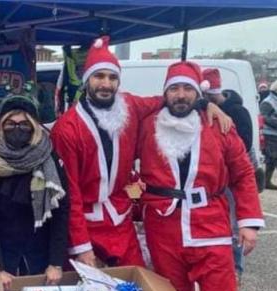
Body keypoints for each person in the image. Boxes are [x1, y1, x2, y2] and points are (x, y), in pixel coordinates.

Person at [137, 61, 264, 291]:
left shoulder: (218, 125)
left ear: (198, 92)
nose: (180, 95)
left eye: (188, 89)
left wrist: (249, 222)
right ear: (165, 92)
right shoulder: (147, 125)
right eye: (174, 89)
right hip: (165, 229)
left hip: (211, 227)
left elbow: (243, 173)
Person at [51, 36, 232, 268]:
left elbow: (167, 100)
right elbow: (70, 192)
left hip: (120, 219)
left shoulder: (131, 105)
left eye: (112, 77)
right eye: (99, 76)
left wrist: (205, 103)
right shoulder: (67, 129)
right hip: (84, 224)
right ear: (87, 80)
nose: (106, 84)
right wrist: (81, 245)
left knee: (136, 289)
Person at [0, 93, 69, 290]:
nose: (17, 129)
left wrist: (56, 262)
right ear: (1, 124)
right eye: (10, 123)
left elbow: (61, 211)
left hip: (42, 254)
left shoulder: (49, 157)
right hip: (4, 252)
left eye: (24, 124)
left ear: (34, 127)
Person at [203, 68, 256, 279]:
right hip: (214, 181)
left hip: (230, 180)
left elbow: (244, 147)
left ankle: (236, 270)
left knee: (233, 227)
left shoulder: (237, 112)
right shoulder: (204, 109)